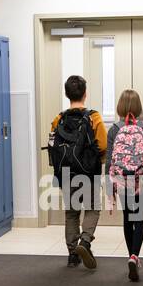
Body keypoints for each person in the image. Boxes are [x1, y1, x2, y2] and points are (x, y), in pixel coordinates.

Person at [48, 74, 107, 269]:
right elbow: (103, 144)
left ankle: (73, 255)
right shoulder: (94, 117)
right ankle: (85, 242)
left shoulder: (58, 119)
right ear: (85, 94)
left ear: (66, 94)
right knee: (92, 208)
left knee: (72, 213)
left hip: (66, 172)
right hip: (89, 172)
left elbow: (52, 146)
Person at [106, 89, 143, 282]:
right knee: (139, 218)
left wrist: (109, 188)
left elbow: (109, 161)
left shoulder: (114, 129)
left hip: (122, 179)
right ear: (138, 107)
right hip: (142, 178)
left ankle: (131, 255)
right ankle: (135, 256)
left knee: (128, 218)